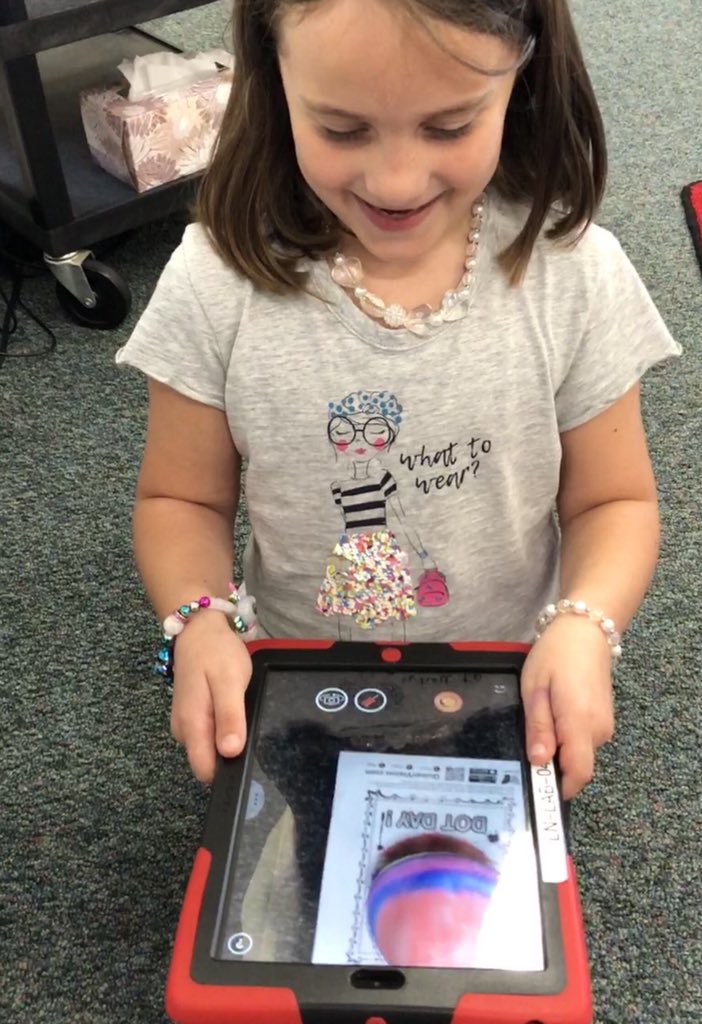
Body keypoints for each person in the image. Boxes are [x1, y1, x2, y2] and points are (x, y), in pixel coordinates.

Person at [116, 0, 681, 798]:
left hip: (511, 681)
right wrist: (201, 614)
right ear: (272, 79)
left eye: (449, 126)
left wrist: (586, 624)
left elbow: (614, 501)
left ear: (521, 76)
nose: (396, 181)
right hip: (299, 682)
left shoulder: (573, 272)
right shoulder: (216, 281)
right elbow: (180, 497)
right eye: (342, 129)